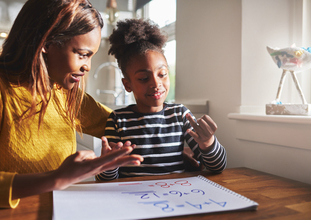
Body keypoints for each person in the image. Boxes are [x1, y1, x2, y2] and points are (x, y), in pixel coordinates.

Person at [0, 0, 143, 210]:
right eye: (83, 54)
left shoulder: (64, 92)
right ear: (47, 44)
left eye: (91, 56)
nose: (87, 66)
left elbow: (127, 127)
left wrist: (181, 141)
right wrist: (56, 179)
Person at [96, 18, 227, 181]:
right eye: (143, 78)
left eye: (162, 74)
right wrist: (108, 165)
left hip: (175, 197)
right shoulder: (117, 120)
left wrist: (208, 143)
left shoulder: (180, 114)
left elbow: (217, 167)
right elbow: (104, 180)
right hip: (133, 198)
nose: (156, 84)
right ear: (127, 84)